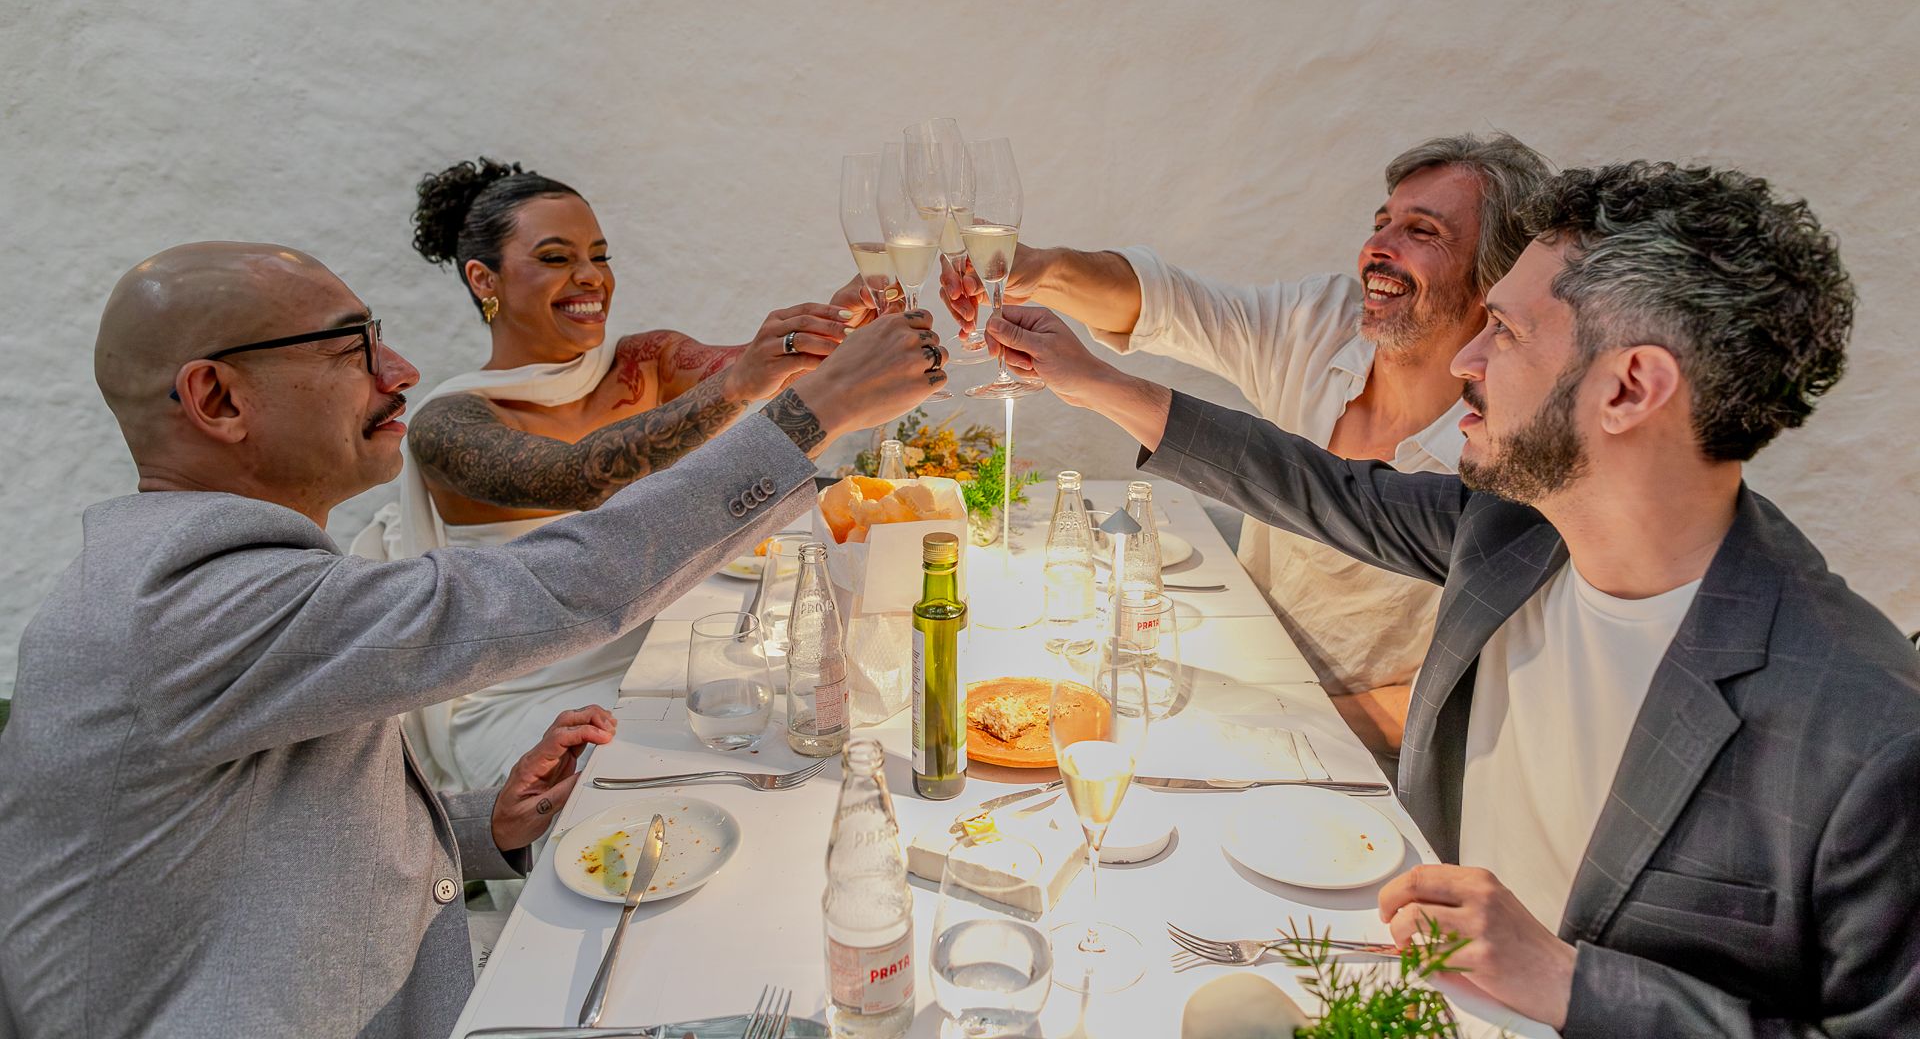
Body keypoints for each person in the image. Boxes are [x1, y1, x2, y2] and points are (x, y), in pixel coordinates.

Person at [984, 164, 1919, 1035]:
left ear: (1630, 387)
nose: (1466, 358)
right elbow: (1325, 489)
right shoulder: (1513, 531)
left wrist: (1567, 980)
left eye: (1505, 332)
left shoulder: (1866, 732)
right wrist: (1093, 382)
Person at [0, 241, 943, 1039]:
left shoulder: (213, 573)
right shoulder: (178, 603)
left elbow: (253, 833)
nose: (398, 370)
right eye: (353, 347)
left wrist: (480, 824)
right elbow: (559, 579)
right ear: (216, 399)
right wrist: (812, 416)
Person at [942, 133, 1552, 759]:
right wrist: (1040, 271)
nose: (1378, 249)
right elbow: (1167, 302)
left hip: (1355, 751)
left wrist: (1273, 717)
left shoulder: (1505, 452)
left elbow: (1458, 708)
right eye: (1381, 222)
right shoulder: (1323, 321)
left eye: (1423, 232)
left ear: (1498, 277)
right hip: (1245, 668)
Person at [352, 158, 871, 794]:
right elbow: (579, 478)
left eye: (600, 255)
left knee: (811, 727)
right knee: (701, 775)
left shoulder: (645, 362)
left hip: (658, 653)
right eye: (555, 257)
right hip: (526, 697)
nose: (590, 277)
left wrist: (834, 327)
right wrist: (745, 383)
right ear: (483, 278)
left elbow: (753, 365)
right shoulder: (449, 423)